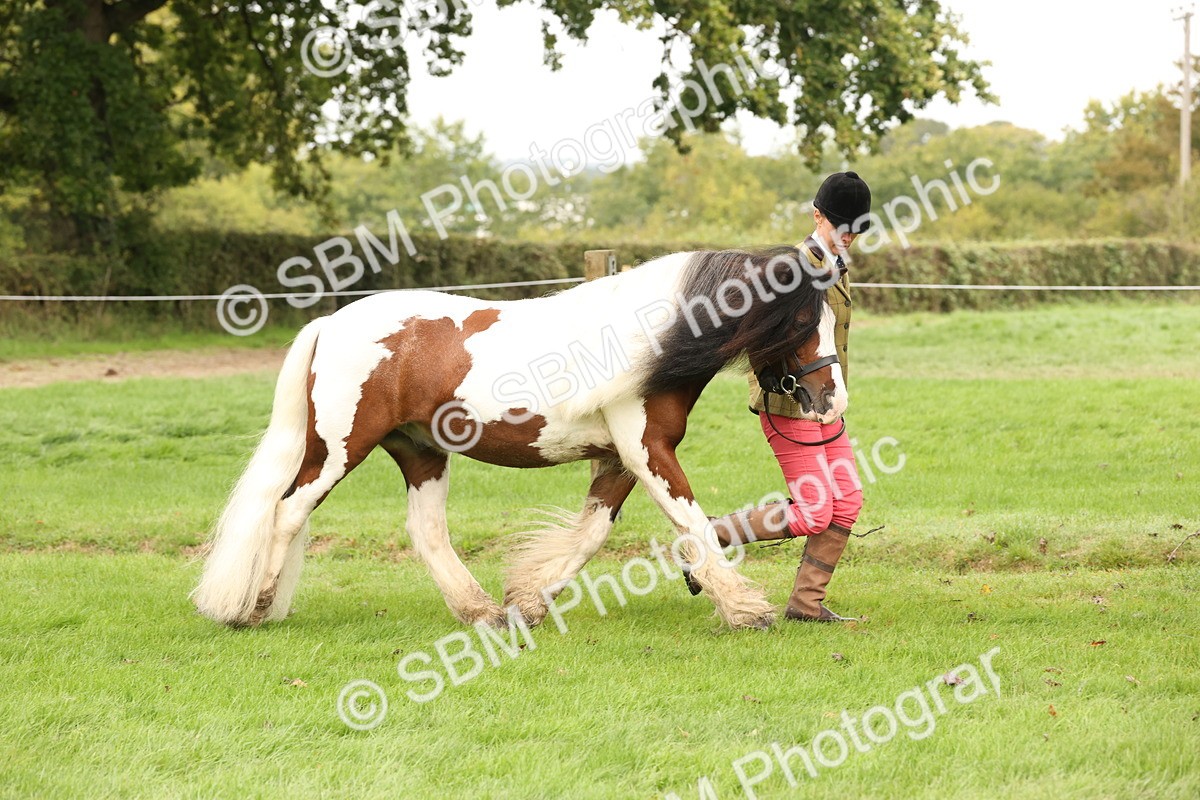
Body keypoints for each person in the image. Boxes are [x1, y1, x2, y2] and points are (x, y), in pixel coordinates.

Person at [691, 171, 872, 622]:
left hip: (828, 402)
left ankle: (806, 605)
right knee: (814, 511)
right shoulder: (789, 272)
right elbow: (755, 338)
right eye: (842, 227)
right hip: (789, 403)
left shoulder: (836, 264)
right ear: (817, 216)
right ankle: (707, 537)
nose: (850, 237)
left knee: (846, 500)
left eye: (858, 229)